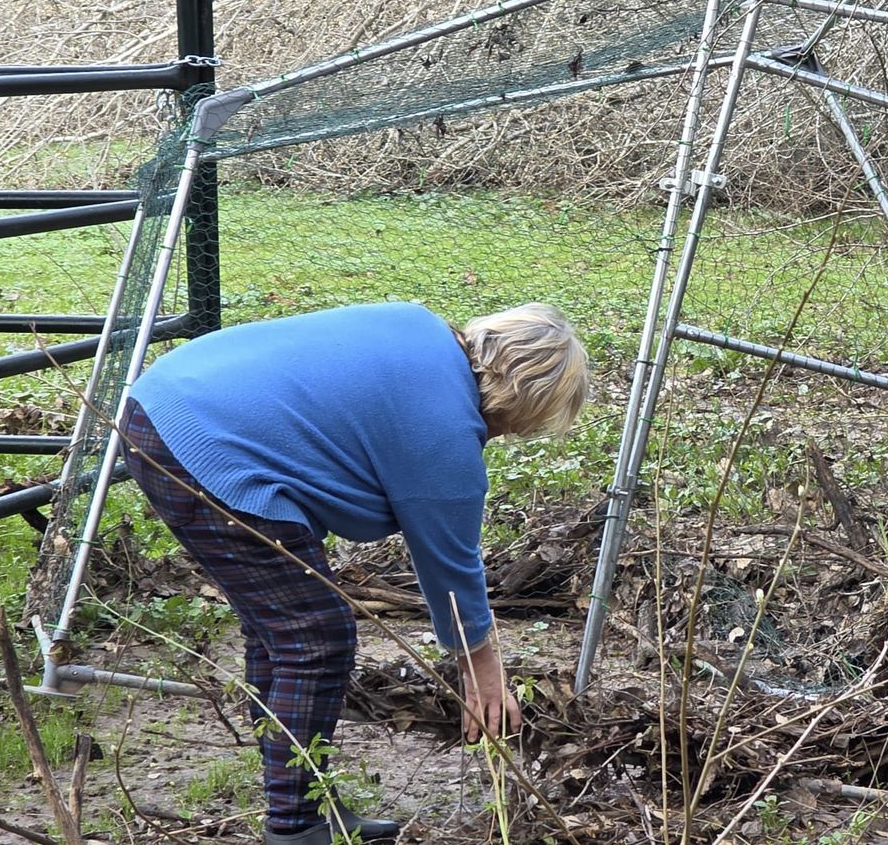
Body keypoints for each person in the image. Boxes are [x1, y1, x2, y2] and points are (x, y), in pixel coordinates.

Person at [119, 301, 590, 845]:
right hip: (207, 447)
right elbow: (451, 571)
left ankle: (305, 799)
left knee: (280, 629)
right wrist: (484, 676)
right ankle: (295, 826)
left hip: (161, 405)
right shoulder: (444, 434)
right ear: (524, 396)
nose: (507, 435)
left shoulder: (417, 327)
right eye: (522, 423)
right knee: (315, 636)